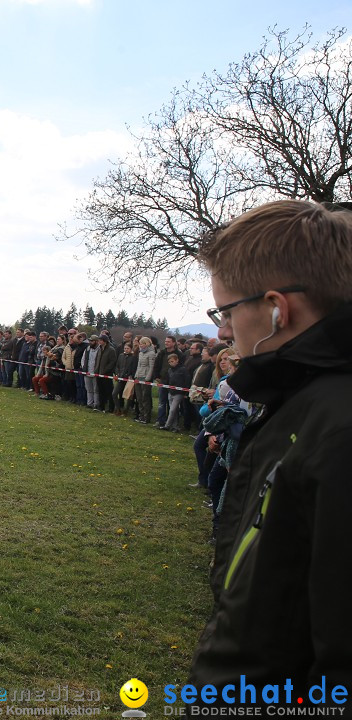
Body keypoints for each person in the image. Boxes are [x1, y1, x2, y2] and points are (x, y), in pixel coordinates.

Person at [187, 200, 352, 701]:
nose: (221, 331)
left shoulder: (337, 428)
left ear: (278, 308)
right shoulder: (298, 400)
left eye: (227, 310)